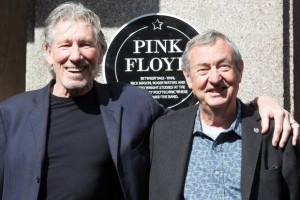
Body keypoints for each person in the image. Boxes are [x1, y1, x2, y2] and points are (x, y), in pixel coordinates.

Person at [0, 2, 298, 200]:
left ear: (100, 53)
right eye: (66, 45)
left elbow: (207, 108)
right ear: (48, 53)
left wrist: (261, 103)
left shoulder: (132, 104)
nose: (76, 55)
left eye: (86, 44)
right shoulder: (10, 115)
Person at [149, 30, 300, 200]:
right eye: (203, 69)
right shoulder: (163, 131)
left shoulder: (275, 132)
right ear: (188, 78)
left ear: (240, 70)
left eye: (223, 66)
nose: (214, 78)